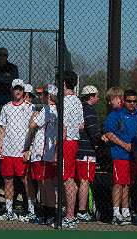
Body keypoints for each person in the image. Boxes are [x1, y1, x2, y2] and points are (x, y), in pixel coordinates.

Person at [0, 79, 35, 221]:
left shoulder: (30, 107)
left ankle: (31, 211)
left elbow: (33, 130)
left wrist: (29, 148)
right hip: (8, 151)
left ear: (23, 91)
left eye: (20, 89)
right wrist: (0, 146)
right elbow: (2, 129)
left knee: (26, 180)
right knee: (8, 181)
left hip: (22, 151)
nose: (17, 91)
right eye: (15, 89)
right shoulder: (6, 108)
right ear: (12, 90)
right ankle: (9, 212)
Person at [21, 84, 58, 224]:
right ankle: (48, 213)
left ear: (49, 96)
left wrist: (33, 117)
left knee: (44, 184)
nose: (41, 97)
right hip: (48, 153)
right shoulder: (57, 110)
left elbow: (31, 127)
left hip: (41, 153)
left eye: (43, 94)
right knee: (45, 183)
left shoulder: (47, 109)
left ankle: (48, 213)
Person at [104, 89, 137, 226]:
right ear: (124, 101)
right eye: (129, 101)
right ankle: (115, 213)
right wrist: (124, 145)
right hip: (119, 154)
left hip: (133, 156)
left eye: (134, 101)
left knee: (127, 184)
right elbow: (108, 133)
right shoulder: (116, 114)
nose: (132, 103)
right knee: (118, 183)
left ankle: (125, 211)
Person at [60, 71, 84, 228]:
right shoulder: (77, 101)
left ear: (63, 84)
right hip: (75, 141)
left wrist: (57, 146)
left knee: (67, 178)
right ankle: (71, 213)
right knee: (72, 179)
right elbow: (81, 126)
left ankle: (69, 215)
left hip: (66, 141)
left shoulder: (64, 101)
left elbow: (63, 128)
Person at [76, 85, 101, 222]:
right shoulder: (89, 110)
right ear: (91, 96)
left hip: (77, 149)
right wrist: (99, 142)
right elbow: (93, 132)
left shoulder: (78, 108)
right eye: (96, 95)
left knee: (76, 181)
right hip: (86, 150)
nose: (98, 98)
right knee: (84, 180)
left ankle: (74, 209)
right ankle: (82, 211)